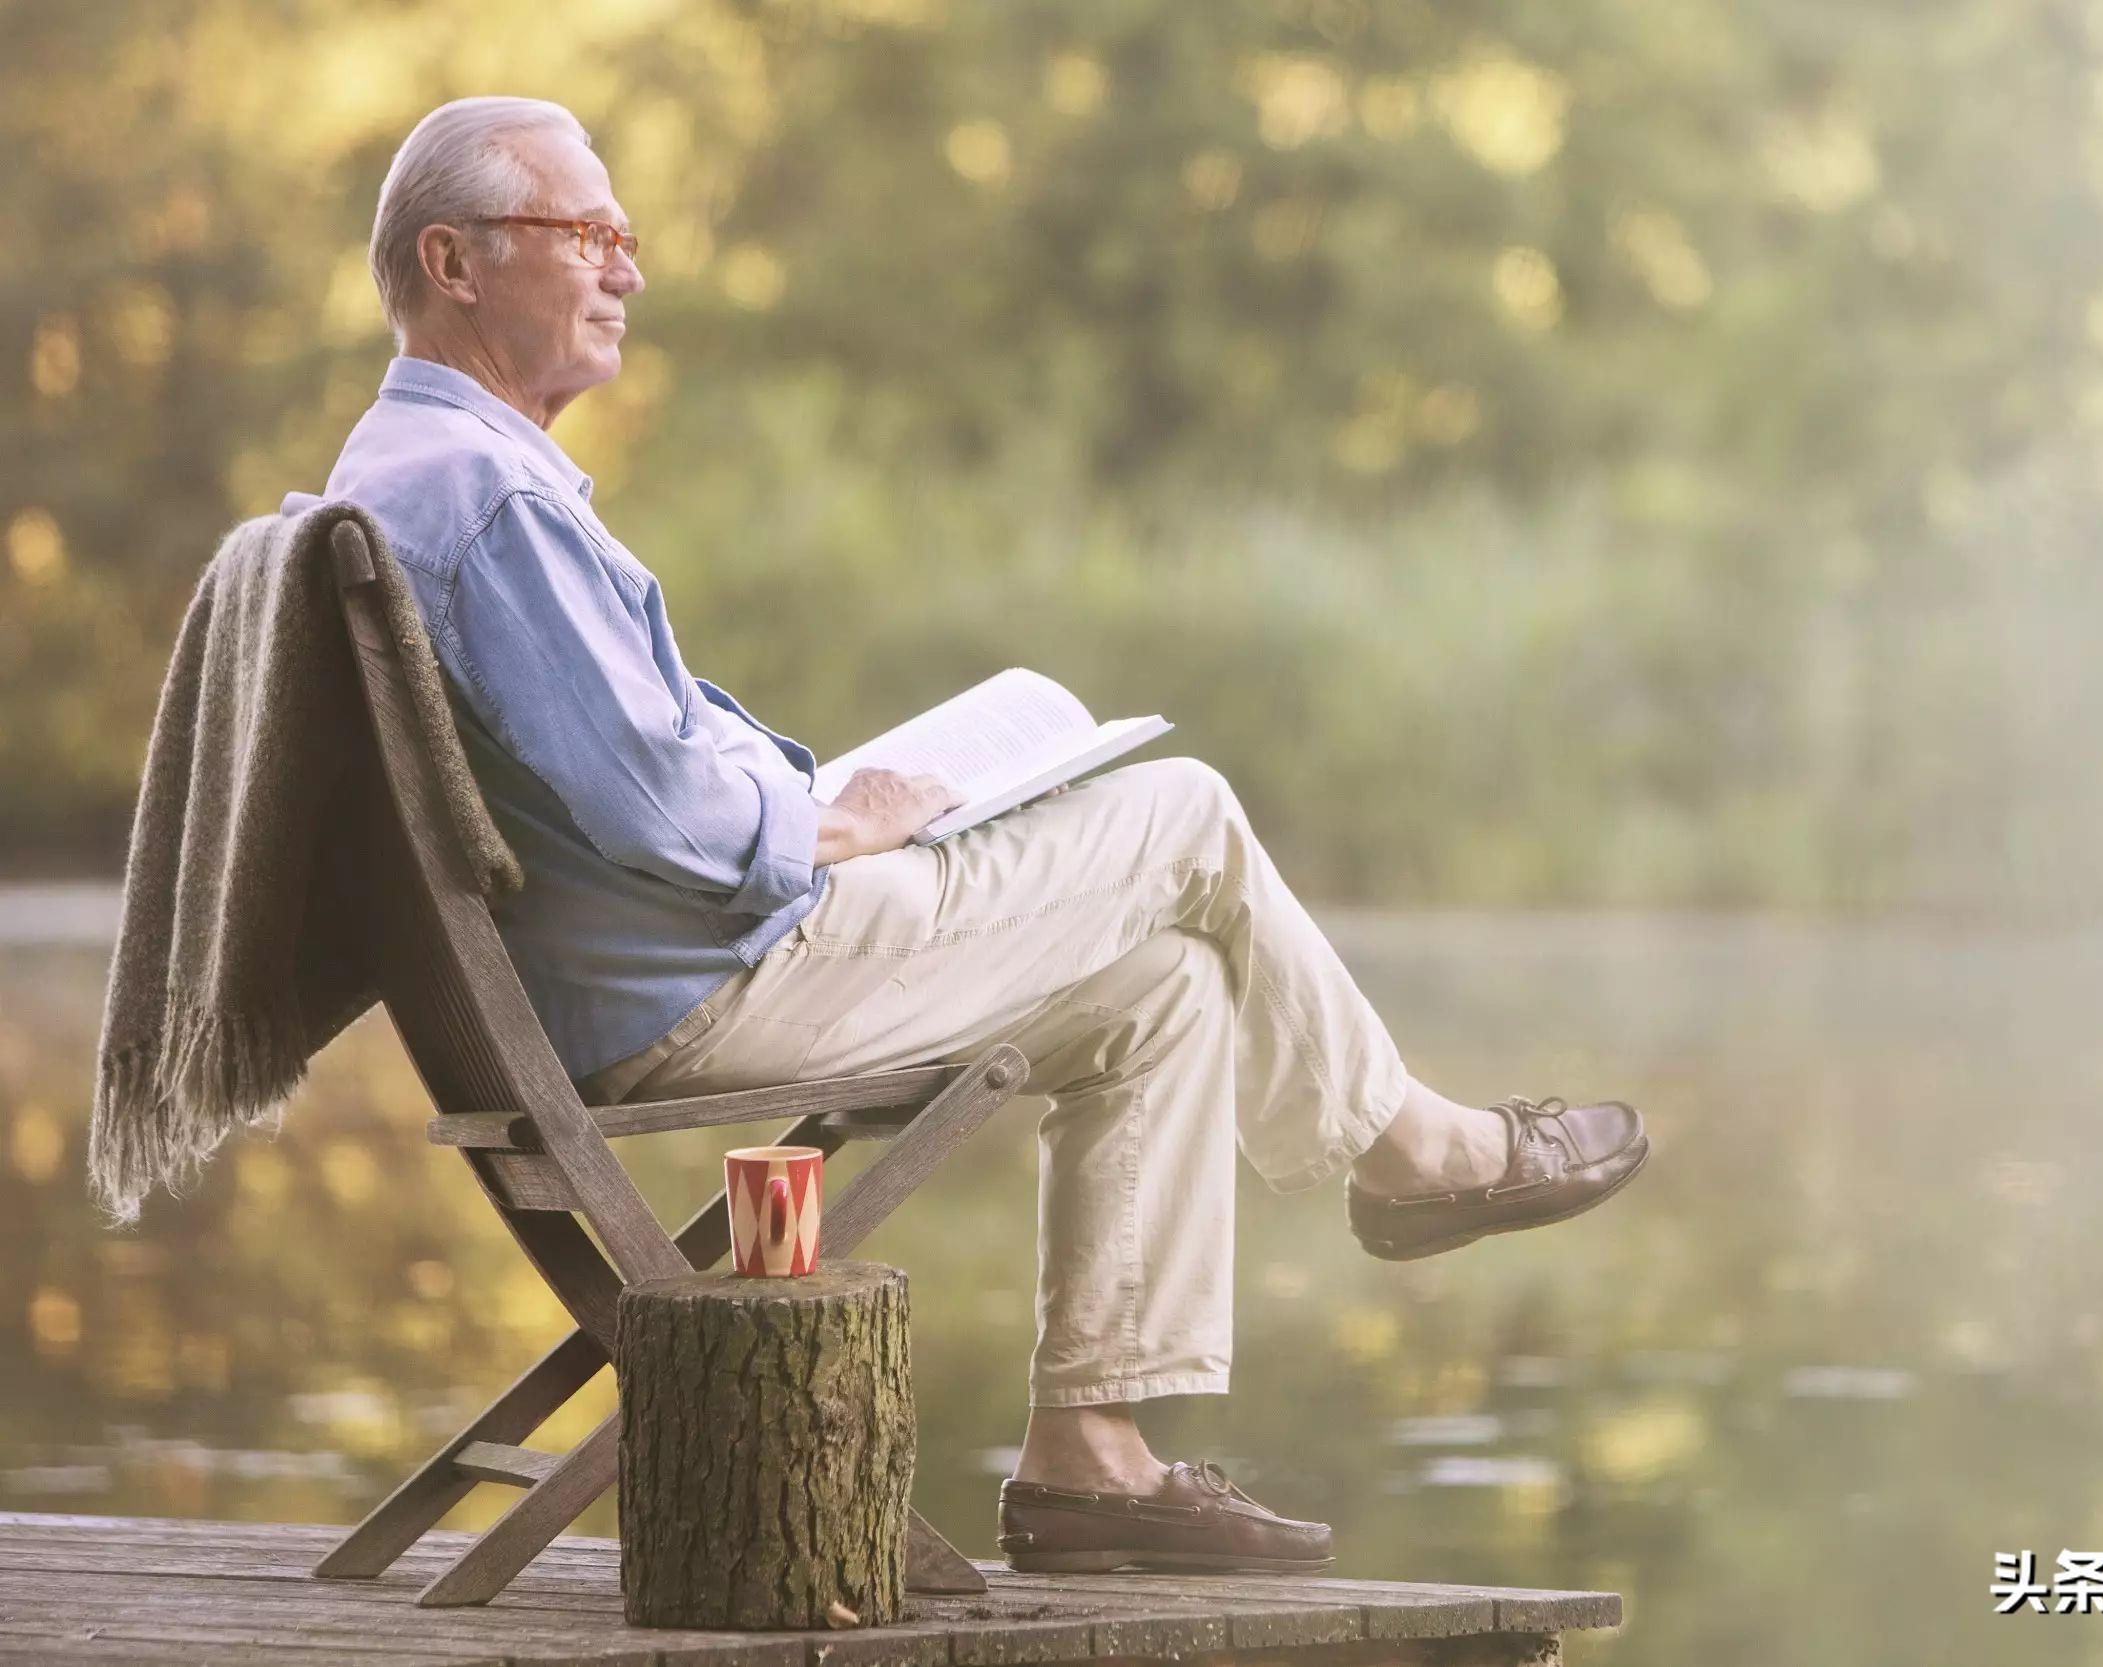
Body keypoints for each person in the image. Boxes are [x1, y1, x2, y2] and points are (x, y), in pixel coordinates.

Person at [286, 96, 1649, 1576]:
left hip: (652, 971)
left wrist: (830, 805)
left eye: (626, 237)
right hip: (703, 981)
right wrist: (829, 821)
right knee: (1183, 813)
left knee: (1164, 991)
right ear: (456, 261)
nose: (627, 269)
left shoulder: (416, 472)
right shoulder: (484, 502)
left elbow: (629, 774)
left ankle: (1091, 1461)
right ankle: (1420, 1153)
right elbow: (658, 810)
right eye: (588, 234)